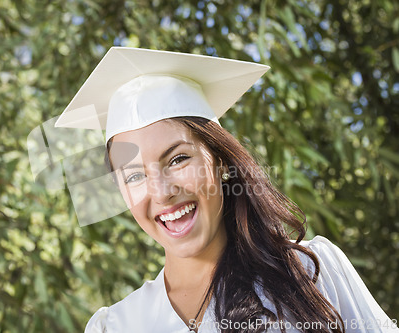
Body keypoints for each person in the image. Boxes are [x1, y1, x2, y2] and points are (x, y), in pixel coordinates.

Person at [54, 47, 398, 333]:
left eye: (178, 159)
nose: (161, 192)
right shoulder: (116, 326)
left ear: (220, 163)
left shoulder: (311, 272)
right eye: (133, 176)